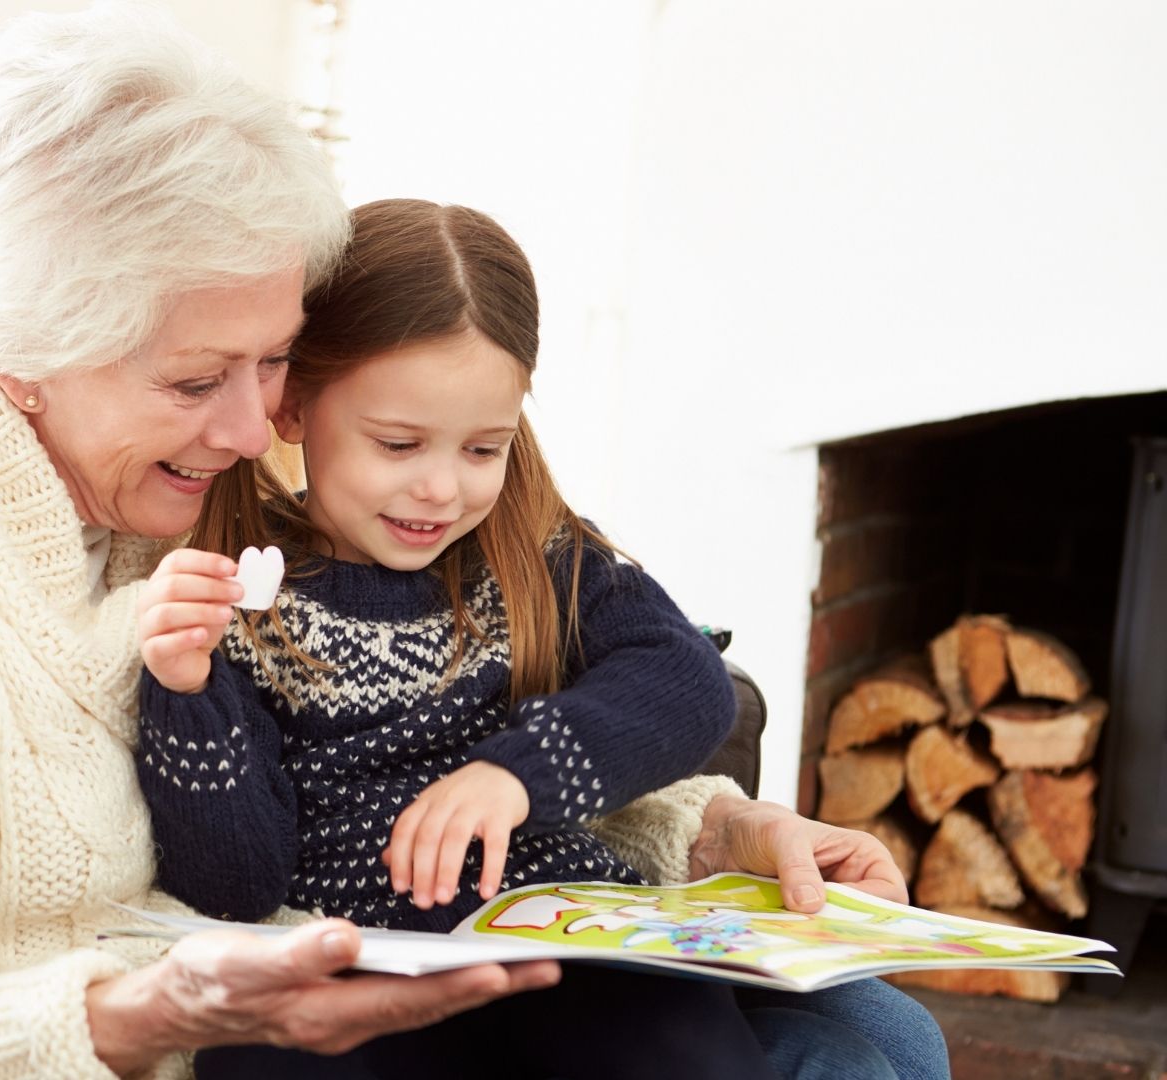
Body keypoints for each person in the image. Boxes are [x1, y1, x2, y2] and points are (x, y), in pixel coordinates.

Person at [0, 6, 940, 1078]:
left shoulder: (146, 499)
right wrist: (153, 1013)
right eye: (202, 376)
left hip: (324, 971)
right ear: (27, 349)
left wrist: (710, 834)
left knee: (879, 1026)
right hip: (188, 1035)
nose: (262, 421)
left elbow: (414, 736)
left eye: (274, 364)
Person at [132, 197, 909, 1078]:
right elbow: (236, 884)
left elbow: (686, 678)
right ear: (296, 407)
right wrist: (186, 693)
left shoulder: (538, 555)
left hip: (562, 941)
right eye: (398, 444)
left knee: (702, 1042)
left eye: (481, 450)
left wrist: (515, 774)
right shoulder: (234, 596)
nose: (440, 490)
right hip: (363, 970)